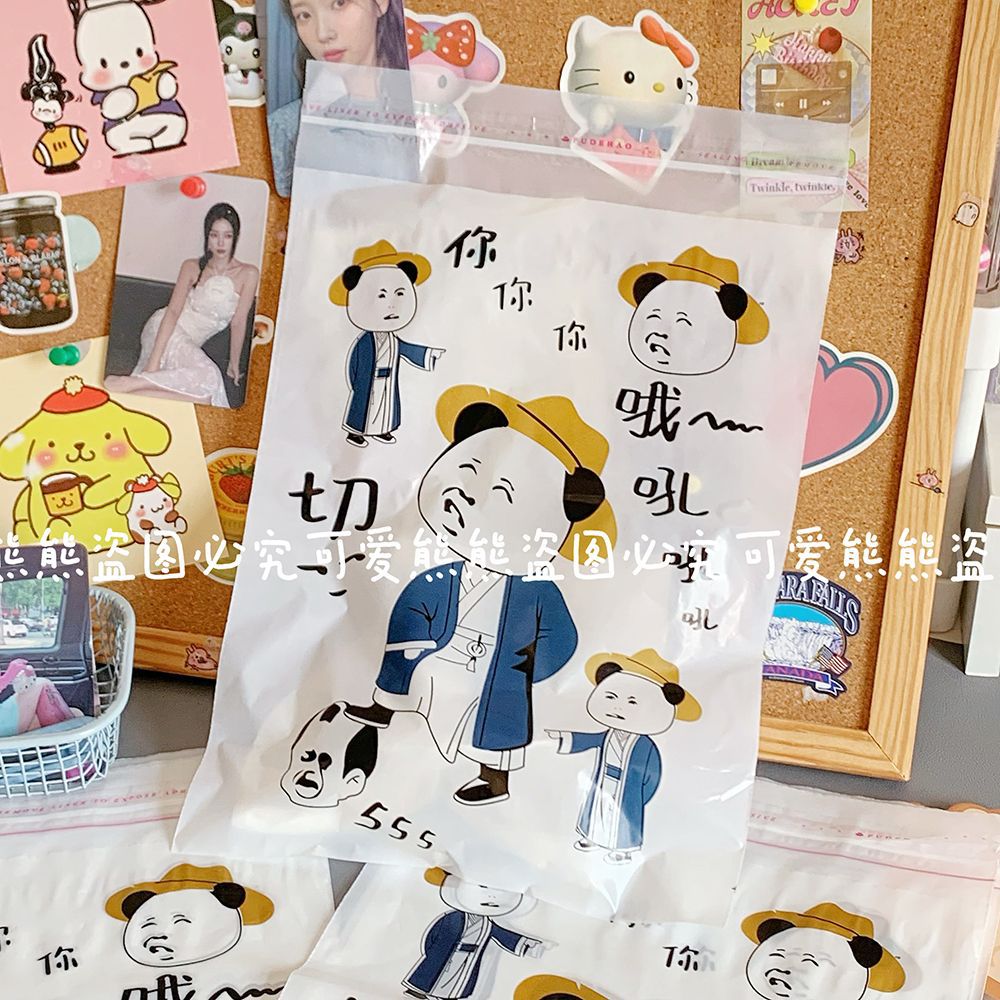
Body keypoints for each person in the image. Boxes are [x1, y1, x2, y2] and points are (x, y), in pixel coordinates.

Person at [106, 203, 258, 408]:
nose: (221, 243)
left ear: (235, 237)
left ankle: (129, 389)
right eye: (214, 235)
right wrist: (153, 364)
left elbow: (238, 322)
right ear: (207, 236)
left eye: (227, 236)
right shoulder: (191, 266)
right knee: (211, 376)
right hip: (164, 329)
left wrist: (234, 363)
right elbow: (173, 312)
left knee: (205, 398)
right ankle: (133, 383)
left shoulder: (248, 274)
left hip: (187, 343)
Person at [267, 0, 409, 195]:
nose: (322, 33)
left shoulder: (435, 114)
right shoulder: (286, 129)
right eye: (304, 15)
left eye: (339, 3)